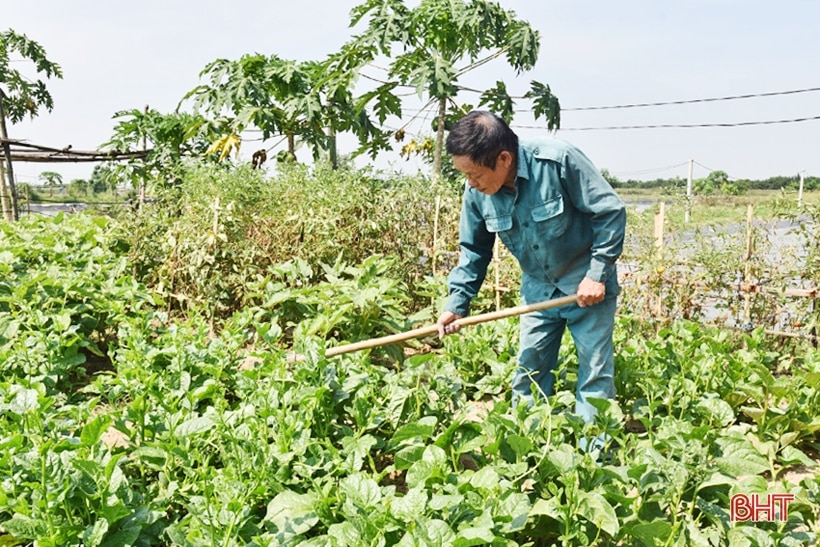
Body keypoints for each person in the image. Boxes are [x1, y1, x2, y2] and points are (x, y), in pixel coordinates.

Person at [436, 110, 626, 423]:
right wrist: (458, 303)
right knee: (529, 371)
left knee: (594, 375)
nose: (470, 183)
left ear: (504, 159)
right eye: (465, 175)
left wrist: (597, 275)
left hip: (585, 285)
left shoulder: (557, 161)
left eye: (475, 174)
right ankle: (529, 447)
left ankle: (594, 461)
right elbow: (474, 250)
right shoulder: (476, 193)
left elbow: (610, 212)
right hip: (538, 288)